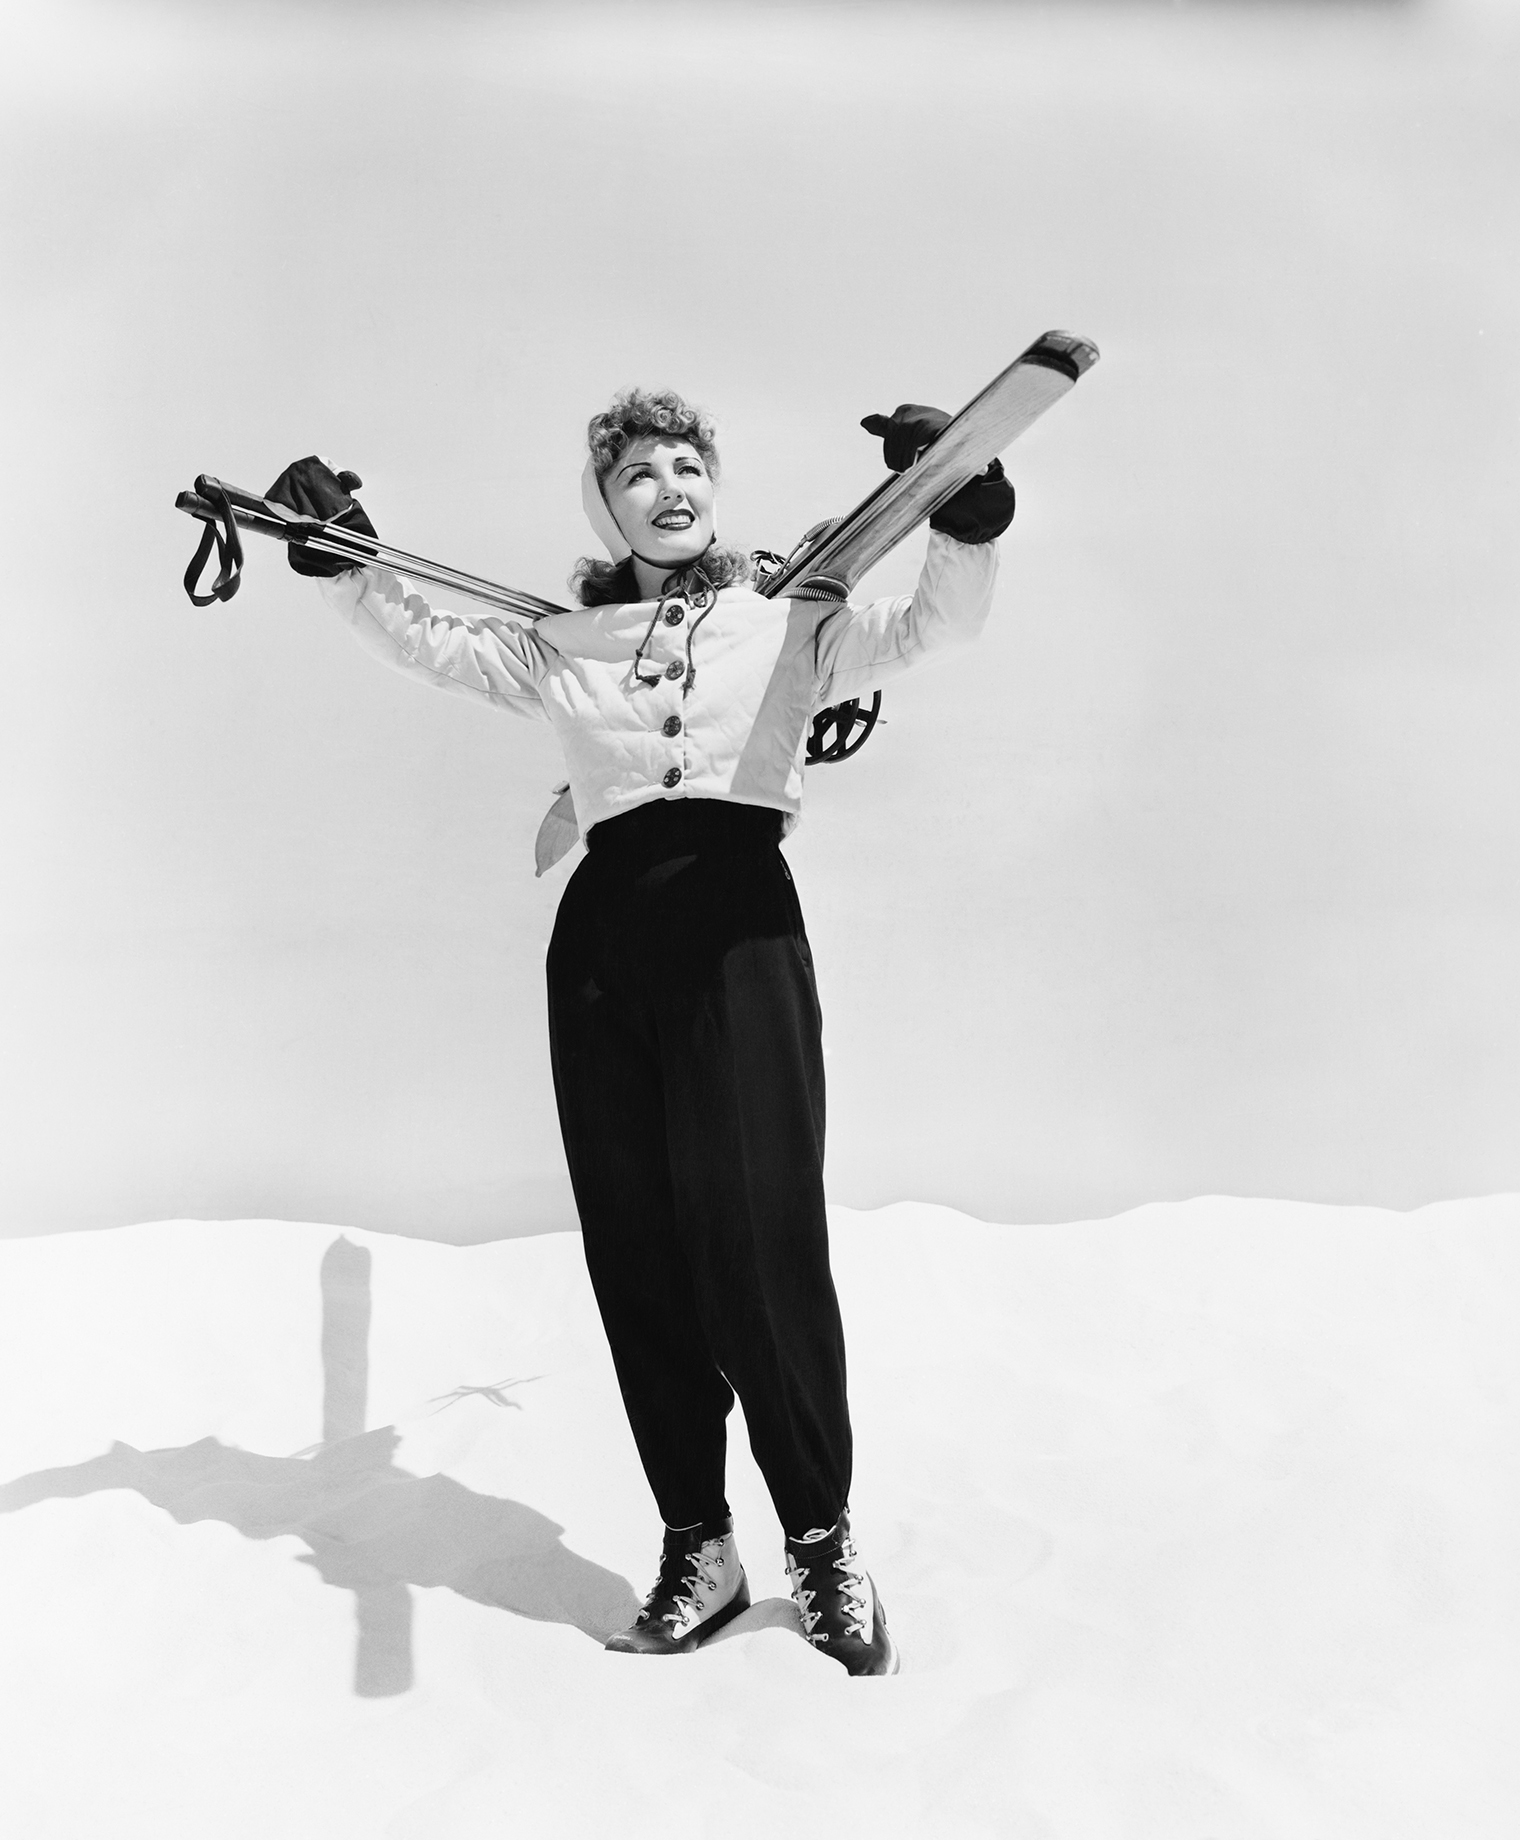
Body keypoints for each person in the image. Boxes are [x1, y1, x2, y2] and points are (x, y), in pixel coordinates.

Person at [266, 387, 1014, 1678]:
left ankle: (822, 1540)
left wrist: (966, 507)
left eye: (686, 464)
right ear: (605, 508)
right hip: (606, 948)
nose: (667, 485)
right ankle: (699, 1542)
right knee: (640, 1244)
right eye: (635, 476)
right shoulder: (567, 639)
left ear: (713, 482)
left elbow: (941, 622)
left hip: (740, 937)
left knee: (762, 1241)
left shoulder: (793, 614)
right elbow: (428, 640)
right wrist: (345, 555)